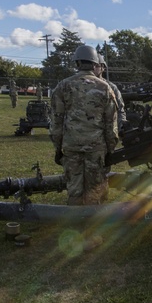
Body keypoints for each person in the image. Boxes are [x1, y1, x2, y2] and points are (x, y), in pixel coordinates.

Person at [50, 45, 118, 206]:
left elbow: (56, 121)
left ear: (77, 63)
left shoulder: (63, 86)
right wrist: (110, 149)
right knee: (94, 189)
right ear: (95, 64)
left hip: (71, 146)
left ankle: (75, 225)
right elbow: (111, 124)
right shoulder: (105, 87)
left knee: (74, 188)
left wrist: (58, 148)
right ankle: (92, 226)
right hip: (96, 148)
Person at [98, 56, 126, 132]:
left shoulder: (111, 87)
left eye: (97, 65)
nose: (92, 68)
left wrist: (121, 127)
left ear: (102, 67)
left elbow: (120, 110)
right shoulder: (73, 86)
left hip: (102, 135)